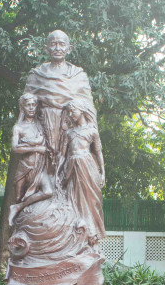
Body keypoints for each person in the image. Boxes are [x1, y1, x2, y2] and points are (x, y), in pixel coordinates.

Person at [23, 30, 95, 162]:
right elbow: (25, 106)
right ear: (46, 48)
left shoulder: (78, 75)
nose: (57, 48)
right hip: (43, 127)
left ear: (69, 49)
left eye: (62, 44)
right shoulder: (36, 75)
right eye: (53, 44)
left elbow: (88, 108)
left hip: (70, 127)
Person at [57, 99, 106, 242]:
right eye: (69, 112)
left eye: (73, 111)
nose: (71, 114)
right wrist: (58, 171)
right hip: (72, 168)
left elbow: (98, 152)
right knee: (74, 198)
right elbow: (62, 155)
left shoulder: (92, 131)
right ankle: (76, 232)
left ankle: (92, 233)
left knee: (91, 200)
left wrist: (103, 172)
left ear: (82, 111)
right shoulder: (69, 133)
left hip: (88, 167)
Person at [8, 94, 53, 226]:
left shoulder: (40, 125)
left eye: (34, 105)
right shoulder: (18, 128)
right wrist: (37, 148)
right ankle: (19, 220)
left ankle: (17, 207)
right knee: (18, 197)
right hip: (25, 168)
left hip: (39, 167)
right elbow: (15, 148)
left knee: (48, 191)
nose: (32, 108)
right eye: (28, 105)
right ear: (23, 107)